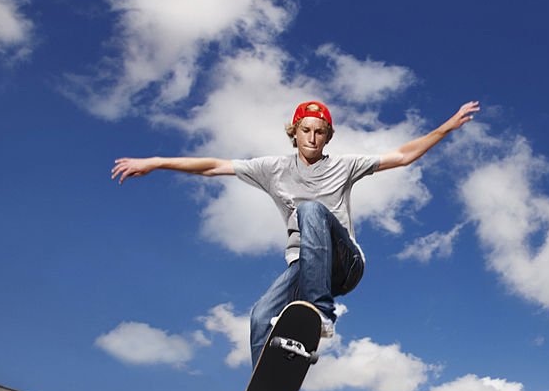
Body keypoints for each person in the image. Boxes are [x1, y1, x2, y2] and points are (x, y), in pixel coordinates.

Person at [113, 99, 479, 371]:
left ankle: (321, 314)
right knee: (260, 317)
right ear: (295, 132)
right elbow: (214, 166)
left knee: (310, 211)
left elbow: (401, 156)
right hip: (305, 269)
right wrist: (156, 162)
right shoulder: (272, 168)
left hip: (344, 263)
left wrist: (447, 127)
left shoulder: (345, 165)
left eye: (320, 132)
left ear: (327, 136)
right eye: (306, 130)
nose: (313, 138)